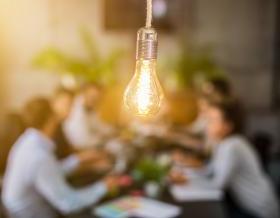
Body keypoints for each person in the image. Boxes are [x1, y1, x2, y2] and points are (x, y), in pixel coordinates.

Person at [2, 98, 118, 218]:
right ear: (52, 118)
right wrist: (103, 187)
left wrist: (79, 159)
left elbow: (50, 172)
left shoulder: (28, 140)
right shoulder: (38, 155)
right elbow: (68, 203)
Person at [170, 99, 279, 218]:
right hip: (244, 205)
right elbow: (210, 170)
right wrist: (186, 169)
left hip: (259, 210)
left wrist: (186, 181)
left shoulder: (233, 146)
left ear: (228, 126)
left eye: (213, 120)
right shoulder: (223, 143)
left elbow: (217, 184)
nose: (207, 124)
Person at [64, 83, 114, 148]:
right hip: (80, 149)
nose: (95, 100)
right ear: (83, 93)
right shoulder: (74, 110)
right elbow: (84, 141)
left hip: (91, 145)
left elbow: (98, 126)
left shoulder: (90, 109)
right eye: (92, 96)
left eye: (99, 98)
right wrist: (105, 138)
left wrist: (114, 131)